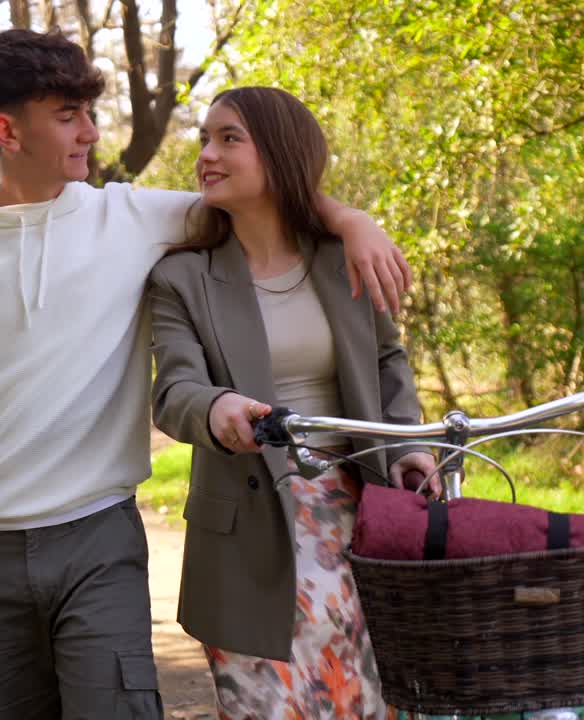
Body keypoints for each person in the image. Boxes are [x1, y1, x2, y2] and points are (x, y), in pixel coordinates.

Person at [0, 30, 413, 720]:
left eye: (89, 111)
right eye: (68, 116)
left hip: (97, 537)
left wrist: (349, 218)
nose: (91, 132)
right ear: (7, 129)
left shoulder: (132, 217)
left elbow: (262, 195)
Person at [148, 86, 439, 719]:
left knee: (369, 701)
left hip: (362, 518)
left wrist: (411, 445)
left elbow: (388, 359)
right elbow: (174, 391)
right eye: (204, 138)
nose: (207, 154)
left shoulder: (345, 258)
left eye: (229, 138)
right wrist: (218, 409)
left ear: (279, 153)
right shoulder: (181, 277)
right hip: (250, 534)